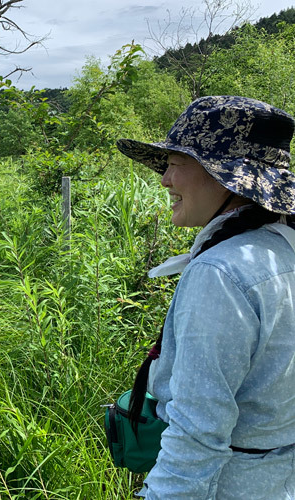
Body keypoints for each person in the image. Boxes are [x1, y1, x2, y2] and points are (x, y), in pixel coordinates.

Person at [116, 95, 295, 499]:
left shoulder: (222, 273)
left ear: (225, 176)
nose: (164, 180)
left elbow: (197, 431)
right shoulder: (283, 249)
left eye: (176, 164)